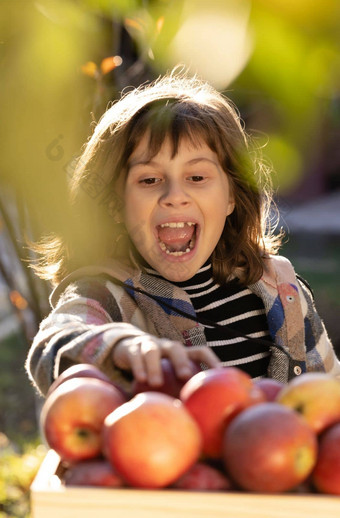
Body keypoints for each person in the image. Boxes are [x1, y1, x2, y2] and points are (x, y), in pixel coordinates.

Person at [25, 70, 340, 397]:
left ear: (231, 195)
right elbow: (53, 345)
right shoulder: (106, 295)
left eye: (197, 177)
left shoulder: (281, 288)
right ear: (115, 205)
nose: (175, 195)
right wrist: (120, 346)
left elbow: (329, 398)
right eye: (149, 180)